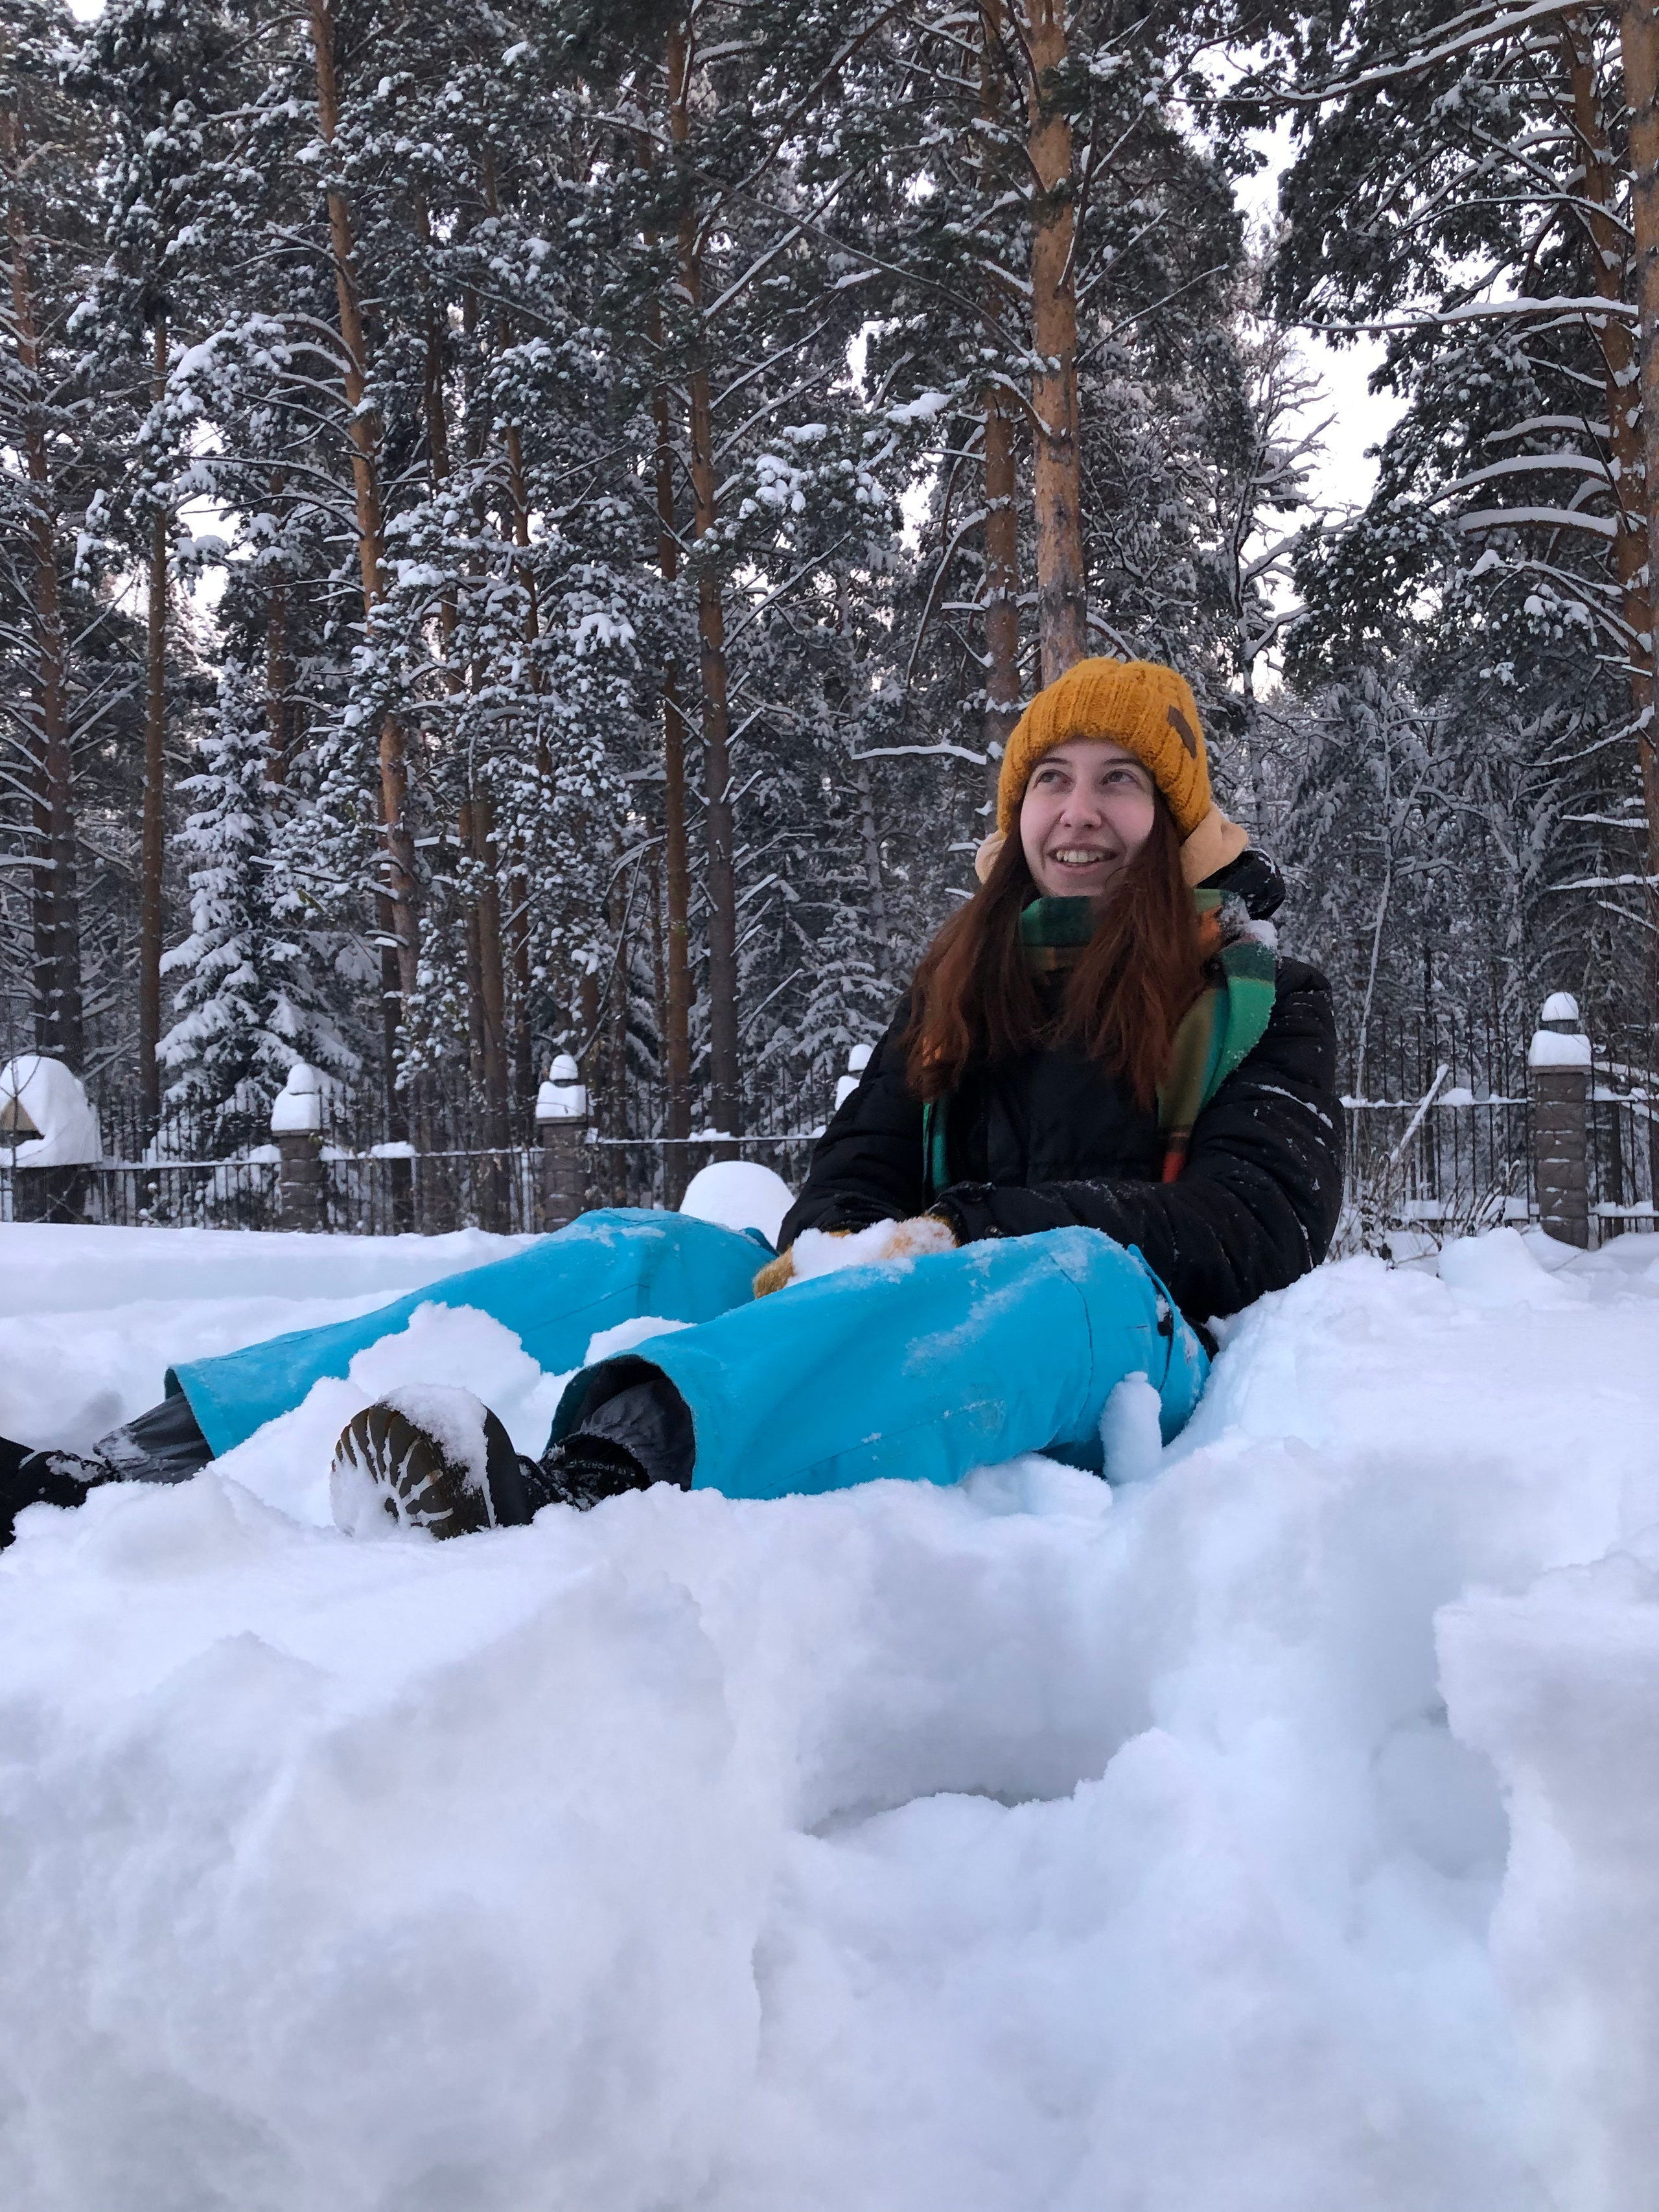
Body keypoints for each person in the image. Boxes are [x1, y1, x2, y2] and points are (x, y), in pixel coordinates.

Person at [0, 658, 1342, 1549]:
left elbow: (1256, 1220)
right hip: (912, 1277)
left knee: (1057, 1274)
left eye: (1119, 782)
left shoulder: (1261, 997)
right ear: (1016, 811)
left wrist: (969, 1227)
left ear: (1172, 822)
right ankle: (147, 1457)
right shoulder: (958, 983)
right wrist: (837, 1240)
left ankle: (596, 1483)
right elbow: (853, 1166)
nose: (1079, 811)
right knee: (655, 1248)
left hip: (1117, 1334)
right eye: (1051, 778)